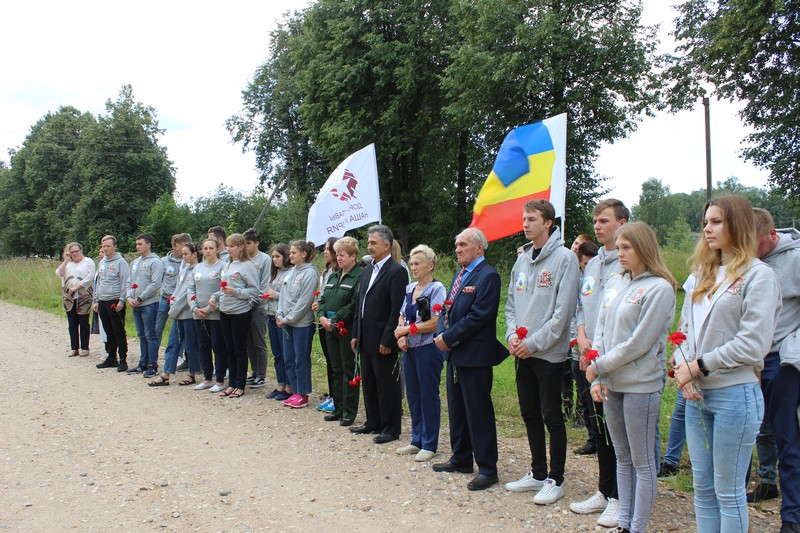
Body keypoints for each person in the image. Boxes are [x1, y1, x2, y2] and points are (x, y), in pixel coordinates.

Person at [674, 195, 780, 533]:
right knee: (703, 489)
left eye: (716, 221)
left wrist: (699, 365)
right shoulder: (700, 274)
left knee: (728, 490)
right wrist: (684, 369)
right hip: (696, 396)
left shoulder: (758, 276)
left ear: (737, 224)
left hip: (735, 395)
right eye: (706, 222)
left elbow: (753, 344)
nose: (707, 228)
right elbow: (683, 332)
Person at [585, 222, 678, 533]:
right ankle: (624, 522)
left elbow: (639, 343)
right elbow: (599, 329)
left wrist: (599, 367)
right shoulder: (616, 282)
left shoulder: (660, 288)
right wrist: (597, 373)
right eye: (619, 247)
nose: (620, 253)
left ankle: (637, 527)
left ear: (644, 249)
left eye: (627, 248)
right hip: (612, 382)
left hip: (641, 385)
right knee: (621, 457)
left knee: (642, 462)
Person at [504, 200, 580, 504]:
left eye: (532, 219)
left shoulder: (565, 259)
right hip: (522, 354)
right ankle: (537, 472)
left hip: (547, 354)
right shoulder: (522, 260)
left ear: (549, 223)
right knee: (530, 414)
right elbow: (510, 304)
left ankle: (555, 478)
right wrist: (512, 335)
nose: (525, 224)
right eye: (524, 219)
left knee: (551, 416)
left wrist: (532, 343)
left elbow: (562, 316)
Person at [432, 228, 509, 491]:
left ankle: (488, 468)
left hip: (474, 355)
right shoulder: (461, 275)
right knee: (457, 409)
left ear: (479, 247)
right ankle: (461, 458)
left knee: (478, 412)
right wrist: (442, 332)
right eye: (456, 245)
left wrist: (449, 337)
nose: (458, 249)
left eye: (463, 244)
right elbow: (448, 308)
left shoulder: (488, 276)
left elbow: (480, 316)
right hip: (455, 353)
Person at [570, 199, 629, 528]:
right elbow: (582, 305)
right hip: (589, 356)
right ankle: (605, 491)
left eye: (604, 220)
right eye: (595, 220)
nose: (597, 225)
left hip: (615, 360)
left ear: (622, 222)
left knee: (616, 432)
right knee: (599, 429)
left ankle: (622, 497)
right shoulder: (592, 265)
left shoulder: (628, 261)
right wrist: (580, 335)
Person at [753, 208, 800, 532]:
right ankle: (766, 482)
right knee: (760, 429)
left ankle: (792, 516)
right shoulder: (747, 260)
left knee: (787, 436)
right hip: (752, 358)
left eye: (754, 243)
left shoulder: (794, 260)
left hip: (783, 359)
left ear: (771, 236)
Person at [350, 225, 407, 443]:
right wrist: (356, 333)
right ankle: (372, 421)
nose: (369, 246)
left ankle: (391, 428)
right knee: (370, 382)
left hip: (383, 336)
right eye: (368, 242)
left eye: (373, 242)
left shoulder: (397, 271)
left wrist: (389, 338)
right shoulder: (366, 271)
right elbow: (360, 305)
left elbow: (396, 308)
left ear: (386, 245)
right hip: (365, 335)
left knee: (387, 384)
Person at [394, 245, 447, 462]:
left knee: (428, 394)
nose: (414, 267)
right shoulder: (410, 288)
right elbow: (402, 315)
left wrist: (408, 330)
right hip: (410, 348)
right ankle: (416, 439)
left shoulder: (437, 289)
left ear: (430, 265)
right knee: (414, 394)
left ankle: (430, 442)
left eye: (418, 263)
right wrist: (402, 335)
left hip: (428, 347)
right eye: (412, 263)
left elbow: (436, 321)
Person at [317, 237, 362, 426]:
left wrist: (335, 320)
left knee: (348, 369)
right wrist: (321, 316)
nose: (339, 258)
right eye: (337, 254)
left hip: (346, 329)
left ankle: (349, 412)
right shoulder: (333, 275)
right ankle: (338, 407)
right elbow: (323, 299)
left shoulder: (359, 276)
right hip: (329, 328)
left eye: (342, 255)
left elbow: (354, 303)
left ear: (353, 256)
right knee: (335, 368)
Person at [210, 234, 259, 398]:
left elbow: (254, 291)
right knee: (229, 349)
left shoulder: (248, 266)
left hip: (240, 312)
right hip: (225, 310)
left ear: (241, 247)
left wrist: (236, 292)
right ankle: (231, 383)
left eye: (232, 246)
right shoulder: (227, 265)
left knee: (239, 349)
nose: (228, 249)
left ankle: (240, 384)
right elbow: (224, 288)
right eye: (228, 246)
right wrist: (215, 296)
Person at [149, 242, 201, 387]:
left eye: (186, 254)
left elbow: (189, 294)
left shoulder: (198, 270)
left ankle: (192, 374)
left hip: (189, 312)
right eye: (182, 254)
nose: (183, 257)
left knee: (191, 344)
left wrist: (175, 307)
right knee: (172, 343)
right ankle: (166, 374)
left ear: (194, 254)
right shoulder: (184, 269)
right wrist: (173, 302)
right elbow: (178, 289)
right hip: (178, 311)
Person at [276, 240, 318, 409]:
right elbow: (283, 297)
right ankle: (294, 390)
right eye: (290, 252)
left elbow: (305, 301)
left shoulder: (310, 273)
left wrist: (289, 318)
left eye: (294, 253)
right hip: (286, 322)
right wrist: (280, 314)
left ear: (304, 254)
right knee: (289, 358)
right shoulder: (290, 272)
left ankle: (303, 393)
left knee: (301, 358)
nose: (290, 255)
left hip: (301, 324)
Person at [188, 238, 228, 392]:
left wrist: (209, 308)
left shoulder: (223, 266)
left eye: (211, 248)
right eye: (205, 248)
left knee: (218, 346)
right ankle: (207, 378)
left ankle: (219, 379)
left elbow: (224, 289)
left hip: (215, 314)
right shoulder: (197, 268)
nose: (208, 251)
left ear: (217, 249)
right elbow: (190, 289)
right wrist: (194, 307)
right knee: (203, 346)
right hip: (199, 314)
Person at [125, 234, 164, 377]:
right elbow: (129, 281)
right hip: (136, 304)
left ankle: (152, 365)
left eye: (140, 244)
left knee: (150, 334)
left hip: (149, 303)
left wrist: (141, 298)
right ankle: (143, 362)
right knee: (141, 334)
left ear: (148, 245)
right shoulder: (134, 262)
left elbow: (155, 284)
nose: (137, 247)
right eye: (136, 244)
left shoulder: (156, 262)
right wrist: (129, 296)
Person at [94, 235, 131, 371]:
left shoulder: (121, 263)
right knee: (108, 330)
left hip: (115, 300)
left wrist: (122, 300)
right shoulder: (102, 263)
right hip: (103, 300)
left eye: (108, 246)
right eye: (103, 246)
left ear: (115, 246)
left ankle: (123, 360)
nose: (105, 249)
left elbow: (125, 282)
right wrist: (96, 300)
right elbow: (99, 282)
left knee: (118, 331)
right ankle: (111, 357)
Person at [244, 228, 272, 389]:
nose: (247, 247)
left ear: (257, 243)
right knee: (248, 341)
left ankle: (261, 375)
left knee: (259, 341)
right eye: (245, 243)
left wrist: (253, 301)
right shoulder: (244, 260)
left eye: (249, 243)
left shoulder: (264, 259)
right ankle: (254, 372)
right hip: (244, 306)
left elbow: (264, 284)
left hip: (259, 306)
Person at [56, 242, 95, 357]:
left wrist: (76, 287)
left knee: (83, 321)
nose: (74, 254)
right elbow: (59, 273)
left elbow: (90, 277)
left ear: (81, 250)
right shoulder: (68, 264)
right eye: (72, 252)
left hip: (83, 295)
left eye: (76, 251)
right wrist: (66, 260)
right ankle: (74, 347)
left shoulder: (88, 262)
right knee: (72, 323)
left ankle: (84, 347)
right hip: (69, 297)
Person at [264, 244, 292, 401]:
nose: (274, 260)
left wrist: (275, 294)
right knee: (277, 353)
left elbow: (291, 296)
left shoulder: (290, 273)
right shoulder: (274, 273)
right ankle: (280, 383)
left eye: (277, 256)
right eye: (273, 257)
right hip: (270, 314)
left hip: (282, 316)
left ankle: (289, 385)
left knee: (285, 352)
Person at [314, 237, 339, 412]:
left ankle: (338, 397)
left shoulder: (339, 272)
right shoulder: (326, 271)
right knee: (330, 361)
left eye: (327, 249)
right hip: (322, 318)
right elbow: (323, 294)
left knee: (336, 361)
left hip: (334, 320)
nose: (324, 252)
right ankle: (332, 394)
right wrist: (318, 304)